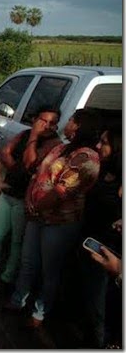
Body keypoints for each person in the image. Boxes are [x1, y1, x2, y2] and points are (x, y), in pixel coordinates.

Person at [7, 108, 101, 329]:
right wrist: (32, 201)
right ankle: (18, 300)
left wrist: (37, 207)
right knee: (28, 261)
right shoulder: (62, 148)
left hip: (59, 221)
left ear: (79, 125)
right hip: (37, 215)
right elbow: (37, 173)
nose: (66, 124)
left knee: (50, 268)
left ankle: (40, 311)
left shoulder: (88, 157)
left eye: (70, 120)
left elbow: (62, 191)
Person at [0, 108, 62, 286]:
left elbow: (31, 162)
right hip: (9, 191)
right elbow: (6, 152)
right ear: (35, 119)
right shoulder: (24, 134)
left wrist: (34, 137)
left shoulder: (53, 144)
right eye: (43, 120)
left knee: (17, 242)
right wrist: (19, 169)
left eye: (51, 123)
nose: (46, 126)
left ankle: (6, 278)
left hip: (24, 198)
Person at [77, 126, 122, 348]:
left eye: (104, 142)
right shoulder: (103, 170)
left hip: (110, 255)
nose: (98, 146)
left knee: (101, 310)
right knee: (91, 303)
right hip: (91, 242)